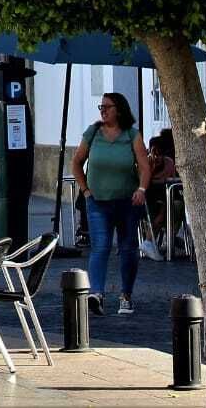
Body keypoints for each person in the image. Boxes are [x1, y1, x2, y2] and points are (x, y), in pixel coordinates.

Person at [71, 92, 150, 317]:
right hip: (97, 202)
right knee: (101, 247)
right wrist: (85, 190)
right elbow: (76, 163)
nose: (103, 111)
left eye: (107, 107)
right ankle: (96, 293)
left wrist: (141, 189)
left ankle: (126, 295)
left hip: (127, 201)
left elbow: (144, 166)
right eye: (101, 107)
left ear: (120, 110)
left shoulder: (132, 135)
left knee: (127, 249)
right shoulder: (93, 132)